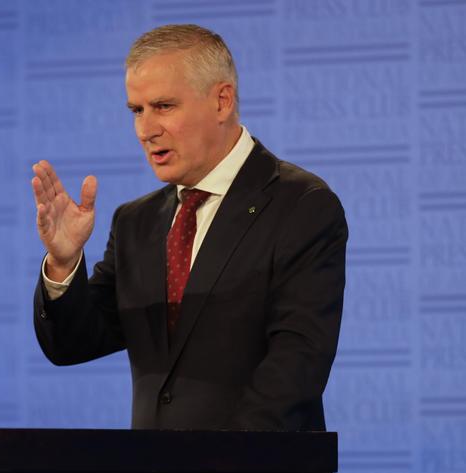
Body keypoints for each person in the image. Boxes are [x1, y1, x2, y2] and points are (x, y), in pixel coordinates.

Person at [32, 23, 347, 437]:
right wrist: (63, 262)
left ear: (221, 101)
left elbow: (296, 365)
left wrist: (211, 468)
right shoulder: (135, 222)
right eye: (136, 110)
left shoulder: (300, 205)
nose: (146, 129)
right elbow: (72, 344)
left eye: (163, 106)